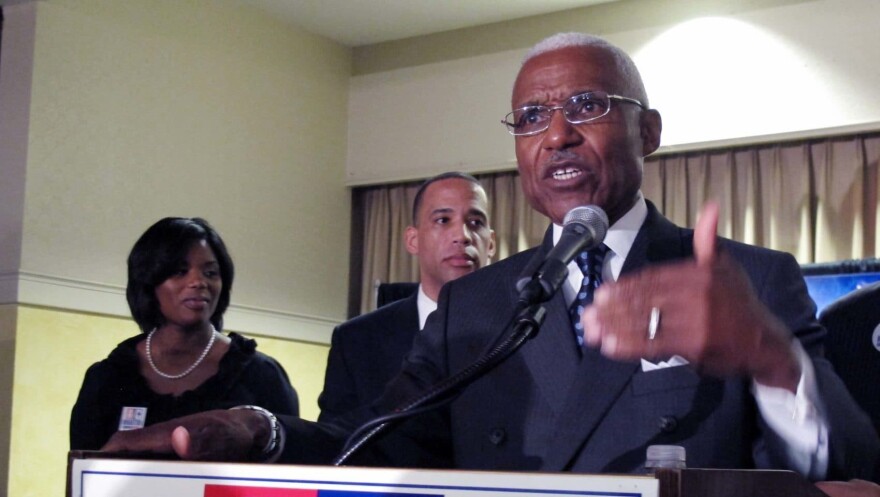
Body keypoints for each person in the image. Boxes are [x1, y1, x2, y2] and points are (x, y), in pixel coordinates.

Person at [101, 33, 879, 482]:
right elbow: (377, 437)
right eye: (533, 116)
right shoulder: (474, 304)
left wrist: (775, 361)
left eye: (588, 107)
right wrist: (261, 429)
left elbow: (849, 463)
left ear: (648, 133)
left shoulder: (752, 277)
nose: (558, 134)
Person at [70, 217, 299, 454]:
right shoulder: (109, 377)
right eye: (180, 272)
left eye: (210, 273)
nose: (199, 282)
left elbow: (290, 470)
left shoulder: (260, 375)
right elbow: (83, 474)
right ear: (149, 282)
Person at [318, 172, 496, 422]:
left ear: (491, 245)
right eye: (444, 220)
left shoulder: (526, 328)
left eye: (476, 222)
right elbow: (337, 442)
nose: (463, 235)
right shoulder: (357, 341)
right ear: (413, 240)